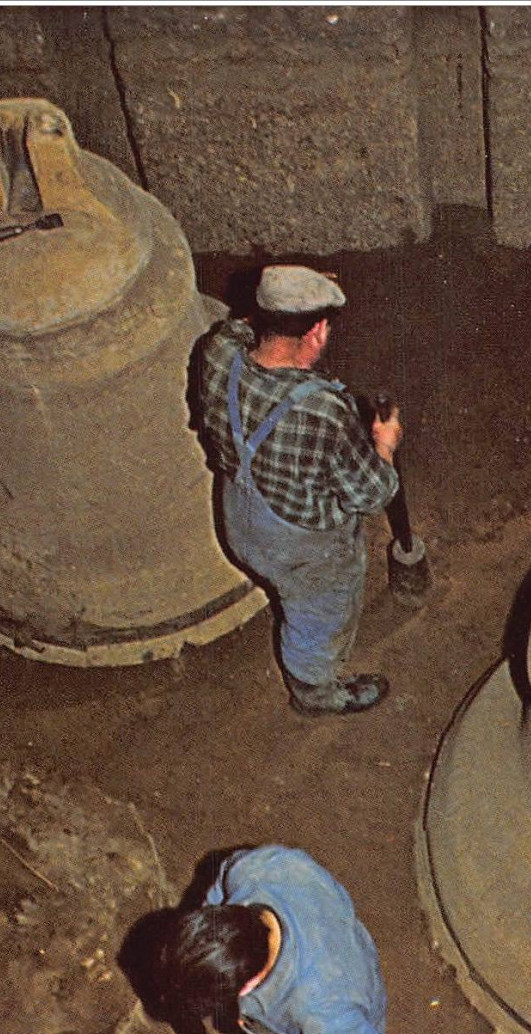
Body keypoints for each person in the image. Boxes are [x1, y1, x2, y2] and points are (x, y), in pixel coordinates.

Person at [196, 265, 401, 715]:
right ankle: (314, 694)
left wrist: (288, 297)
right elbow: (370, 495)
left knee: (284, 584)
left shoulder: (218, 354)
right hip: (303, 550)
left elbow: (237, 329)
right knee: (316, 620)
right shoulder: (324, 410)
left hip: (240, 523)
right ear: (318, 331)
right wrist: (384, 447)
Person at [155, 844, 407, 1034]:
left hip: (349, 991)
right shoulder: (251, 869)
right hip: (333, 928)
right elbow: (221, 881)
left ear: (245, 988)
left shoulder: (326, 1020)